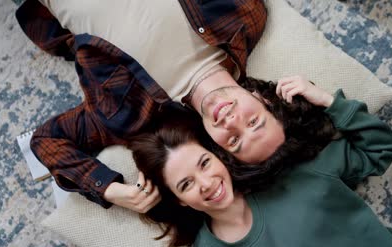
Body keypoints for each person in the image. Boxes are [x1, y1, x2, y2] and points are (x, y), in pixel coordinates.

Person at [15, 0, 287, 212]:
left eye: (234, 141)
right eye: (253, 122)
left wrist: (109, 189)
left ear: (217, 149)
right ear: (263, 99)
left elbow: (46, 140)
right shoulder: (246, 15)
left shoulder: (128, 115)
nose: (232, 121)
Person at [129, 81, 392, 247]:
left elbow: (380, 148)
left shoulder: (296, 173)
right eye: (186, 184)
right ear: (179, 199)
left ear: (219, 156)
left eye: (205, 163)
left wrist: (328, 101)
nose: (207, 183)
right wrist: (106, 188)